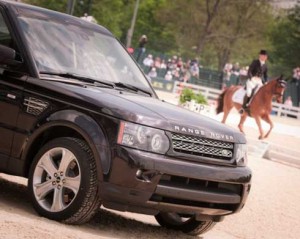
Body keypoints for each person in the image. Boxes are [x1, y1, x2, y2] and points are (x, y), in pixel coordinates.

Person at [239, 50, 268, 114]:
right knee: (249, 93)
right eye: (262, 56)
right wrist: (251, 77)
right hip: (252, 79)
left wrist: (265, 82)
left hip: (259, 81)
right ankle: (243, 108)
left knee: (262, 93)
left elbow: (265, 75)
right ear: (260, 56)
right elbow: (249, 71)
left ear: (266, 57)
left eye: (265, 56)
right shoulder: (255, 62)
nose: (263, 57)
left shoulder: (265, 66)